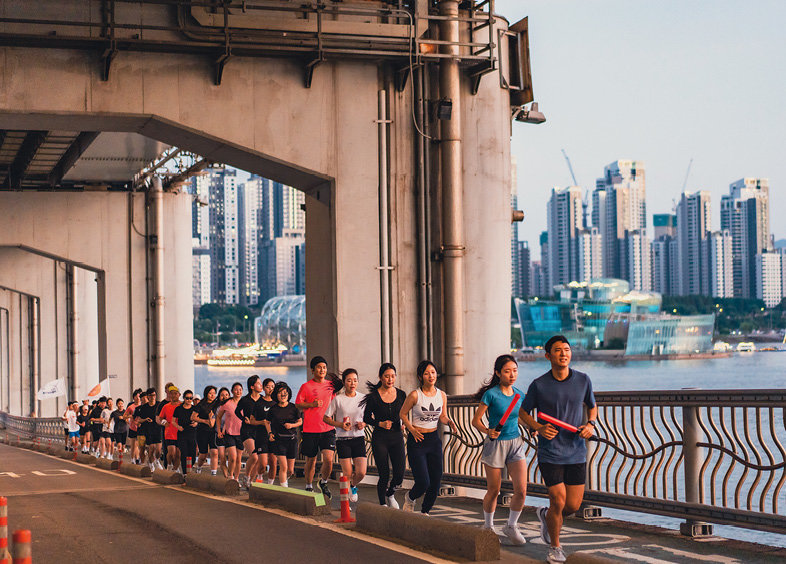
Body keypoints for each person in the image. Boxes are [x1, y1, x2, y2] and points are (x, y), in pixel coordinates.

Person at [520, 336, 597, 564]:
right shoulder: (539, 384)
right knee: (557, 498)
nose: (563, 353)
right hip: (550, 451)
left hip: (576, 450)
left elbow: (592, 407)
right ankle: (555, 547)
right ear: (548, 356)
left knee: (572, 505)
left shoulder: (583, 380)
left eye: (566, 350)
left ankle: (546, 516)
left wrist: (591, 424)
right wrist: (538, 427)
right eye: (557, 350)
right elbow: (523, 413)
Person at [471, 354, 528, 545]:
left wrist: (533, 428)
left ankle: (511, 525)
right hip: (495, 444)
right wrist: (488, 431)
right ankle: (488, 527)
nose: (512, 375)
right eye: (507, 371)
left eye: (515, 370)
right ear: (498, 373)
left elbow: (519, 418)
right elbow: (476, 421)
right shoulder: (491, 394)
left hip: (515, 443)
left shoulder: (520, 395)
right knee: (494, 490)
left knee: (521, 490)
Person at [400, 360, 457, 515]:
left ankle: (425, 512)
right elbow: (402, 414)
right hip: (417, 441)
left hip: (433, 440)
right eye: (426, 373)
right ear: (420, 377)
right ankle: (410, 497)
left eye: (433, 372)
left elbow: (443, 416)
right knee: (423, 481)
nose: (431, 376)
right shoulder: (414, 395)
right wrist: (411, 429)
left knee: (436, 481)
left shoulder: (442, 395)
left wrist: (450, 422)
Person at [362, 363, 406, 508]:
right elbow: (366, 418)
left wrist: (404, 423)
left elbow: (405, 413)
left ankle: (390, 493)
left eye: (392, 376)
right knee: (384, 474)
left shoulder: (401, 394)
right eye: (387, 376)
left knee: (400, 474)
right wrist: (379, 423)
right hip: (380, 438)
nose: (390, 379)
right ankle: (382, 505)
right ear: (380, 378)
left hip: (397, 437)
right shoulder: (373, 397)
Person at [295, 356, 339, 499]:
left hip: (328, 429)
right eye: (319, 367)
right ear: (313, 370)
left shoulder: (331, 386)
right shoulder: (306, 386)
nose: (322, 370)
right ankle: (308, 486)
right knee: (311, 460)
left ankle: (323, 482)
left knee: (328, 459)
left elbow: (336, 404)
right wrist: (311, 405)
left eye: (324, 367)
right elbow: (298, 404)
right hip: (310, 430)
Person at [323, 369, 367, 502]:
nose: (352, 383)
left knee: (361, 473)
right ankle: (345, 504)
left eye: (355, 380)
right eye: (349, 380)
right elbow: (326, 418)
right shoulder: (338, 399)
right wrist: (340, 425)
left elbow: (369, 417)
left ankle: (353, 486)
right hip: (343, 439)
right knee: (347, 473)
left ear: (358, 382)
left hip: (358, 438)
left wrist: (363, 424)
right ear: (344, 382)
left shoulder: (363, 398)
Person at [267, 382, 301, 487]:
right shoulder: (273, 409)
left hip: (292, 440)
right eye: (280, 393)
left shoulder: (293, 407)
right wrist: (270, 433)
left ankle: (285, 480)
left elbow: (300, 421)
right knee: (284, 467)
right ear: (276, 395)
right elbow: (267, 422)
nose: (283, 395)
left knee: (290, 470)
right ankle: (284, 489)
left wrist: (292, 425)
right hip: (279, 440)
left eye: (285, 393)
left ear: (289, 394)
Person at [235, 375, 265, 487]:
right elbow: (237, 412)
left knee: (259, 460)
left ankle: (251, 482)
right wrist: (244, 418)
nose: (261, 385)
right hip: (247, 430)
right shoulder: (245, 400)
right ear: (252, 386)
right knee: (254, 456)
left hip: (260, 431)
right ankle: (246, 476)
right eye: (258, 383)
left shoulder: (263, 399)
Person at [216, 383, 243, 481]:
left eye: (240, 389)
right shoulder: (227, 403)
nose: (238, 391)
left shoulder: (244, 402)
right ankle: (231, 476)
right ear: (232, 391)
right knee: (233, 457)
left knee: (239, 459)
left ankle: (236, 479)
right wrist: (219, 430)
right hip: (230, 433)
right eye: (236, 389)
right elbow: (218, 417)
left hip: (241, 434)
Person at [135, 388, 164, 470]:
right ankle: (151, 463)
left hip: (158, 429)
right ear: (148, 396)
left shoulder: (159, 405)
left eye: (154, 395)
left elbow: (163, 416)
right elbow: (139, 420)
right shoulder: (144, 407)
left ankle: (157, 460)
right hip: (149, 430)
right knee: (151, 449)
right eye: (151, 395)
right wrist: (146, 419)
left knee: (158, 450)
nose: (153, 397)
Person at [157, 384, 182, 472]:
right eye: (172, 393)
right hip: (169, 433)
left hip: (180, 433)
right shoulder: (166, 406)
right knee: (171, 453)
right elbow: (160, 418)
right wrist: (164, 422)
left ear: (179, 395)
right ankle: (169, 465)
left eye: (175, 393)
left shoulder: (182, 405)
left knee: (178, 454)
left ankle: (175, 469)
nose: (173, 395)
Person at [194, 385, 218, 475]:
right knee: (203, 455)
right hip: (202, 431)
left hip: (214, 432)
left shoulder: (217, 404)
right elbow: (193, 417)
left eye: (214, 393)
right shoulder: (201, 404)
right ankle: (199, 467)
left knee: (214, 452)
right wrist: (205, 421)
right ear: (206, 394)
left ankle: (213, 473)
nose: (212, 395)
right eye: (210, 393)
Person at [173, 390, 198, 474]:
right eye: (187, 398)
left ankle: (189, 470)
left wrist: (196, 423)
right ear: (183, 398)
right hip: (182, 434)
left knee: (192, 456)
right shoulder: (178, 409)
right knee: (184, 454)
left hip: (192, 434)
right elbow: (173, 421)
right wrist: (178, 427)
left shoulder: (194, 408)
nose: (189, 400)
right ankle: (185, 474)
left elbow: (198, 419)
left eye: (191, 398)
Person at [214, 387, 231, 477]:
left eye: (226, 395)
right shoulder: (217, 408)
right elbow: (217, 420)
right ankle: (226, 477)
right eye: (222, 395)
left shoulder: (232, 405)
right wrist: (220, 431)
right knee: (222, 457)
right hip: (219, 434)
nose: (224, 397)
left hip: (230, 434)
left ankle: (232, 475)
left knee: (232, 457)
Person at [125, 389, 143, 464]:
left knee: (140, 445)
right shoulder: (131, 407)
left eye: (139, 396)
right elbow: (124, 416)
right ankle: (133, 459)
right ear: (134, 397)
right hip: (133, 428)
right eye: (136, 396)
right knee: (133, 445)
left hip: (141, 428)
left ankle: (138, 458)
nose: (138, 398)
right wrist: (130, 417)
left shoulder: (143, 406)